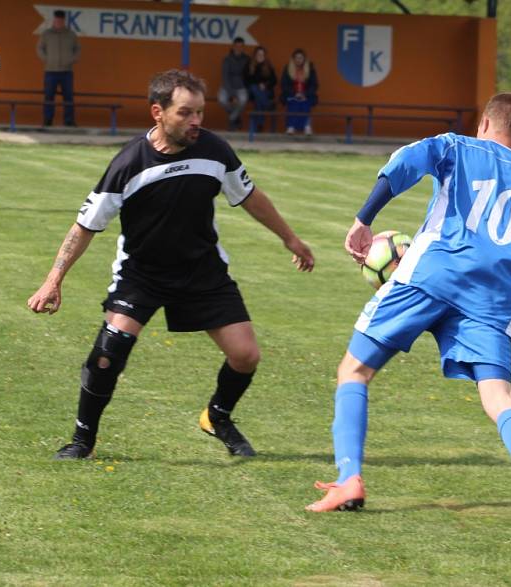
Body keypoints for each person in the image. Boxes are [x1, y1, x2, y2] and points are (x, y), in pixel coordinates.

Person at [306, 93, 511, 535]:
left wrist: (364, 218)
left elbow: (405, 162)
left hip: (430, 276)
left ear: (485, 124)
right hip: (491, 301)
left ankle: (348, 480)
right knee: (499, 397)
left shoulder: (458, 145)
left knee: (354, 371)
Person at [27, 69, 314, 461]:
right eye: (186, 113)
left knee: (246, 356)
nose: (196, 121)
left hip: (202, 271)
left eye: (199, 112)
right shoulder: (129, 163)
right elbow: (85, 226)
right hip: (142, 273)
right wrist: (53, 280)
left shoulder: (215, 151)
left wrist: (290, 238)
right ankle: (82, 440)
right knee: (109, 352)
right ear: (157, 113)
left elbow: (249, 196)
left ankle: (217, 417)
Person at [37, 9, 80, 127]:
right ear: (54, 20)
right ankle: (48, 119)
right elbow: (40, 48)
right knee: (49, 96)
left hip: (67, 71)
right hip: (50, 71)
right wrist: (47, 59)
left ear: (63, 21)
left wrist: (72, 60)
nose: (58, 22)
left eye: (60, 21)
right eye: (57, 20)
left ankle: (69, 120)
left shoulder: (70, 34)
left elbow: (77, 49)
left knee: (68, 97)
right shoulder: (47, 34)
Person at [280, 48, 318, 136]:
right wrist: (294, 93)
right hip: (291, 94)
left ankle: (307, 126)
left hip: (306, 94)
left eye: (301, 57)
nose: (298, 60)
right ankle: (291, 127)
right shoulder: (287, 68)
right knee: (294, 102)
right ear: (293, 59)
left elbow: (314, 84)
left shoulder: (310, 68)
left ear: (304, 59)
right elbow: (284, 84)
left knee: (305, 103)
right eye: (296, 58)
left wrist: (305, 94)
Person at [218, 37, 249, 131]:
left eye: (241, 46)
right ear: (233, 46)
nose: (239, 48)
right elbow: (225, 77)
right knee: (222, 100)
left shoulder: (247, 59)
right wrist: (232, 95)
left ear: (243, 47)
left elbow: (249, 76)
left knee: (243, 100)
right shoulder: (227, 59)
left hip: (241, 87)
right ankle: (236, 116)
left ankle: (232, 118)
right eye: (237, 46)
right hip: (227, 86)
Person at [245, 45, 277, 132]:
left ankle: (260, 124)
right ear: (255, 55)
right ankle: (267, 105)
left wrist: (265, 85)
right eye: (258, 54)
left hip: (266, 91)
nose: (260, 56)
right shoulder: (250, 65)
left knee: (258, 102)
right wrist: (258, 84)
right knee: (254, 88)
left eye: (262, 55)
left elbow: (274, 80)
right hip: (253, 91)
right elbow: (247, 80)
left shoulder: (268, 65)